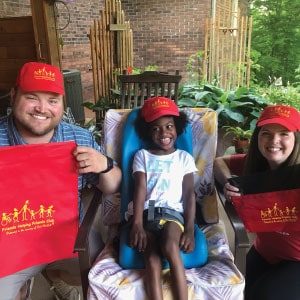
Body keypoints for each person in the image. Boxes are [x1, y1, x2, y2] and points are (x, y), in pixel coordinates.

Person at [0, 62, 121, 300]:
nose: (42, 108)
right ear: (14, 96)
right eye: (32, 97)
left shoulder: (79, 138)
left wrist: (104, 164)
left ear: (61, 105)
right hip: (9, 246)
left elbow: (114, 186)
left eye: (52, 101)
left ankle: (54, 276)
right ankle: (25, 286)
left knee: (107, 281)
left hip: (69, 240)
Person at [214, 104, 300, 300]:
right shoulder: (254, 163)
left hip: (296, 259)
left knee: (263, 295)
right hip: (264, 251)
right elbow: (219, 162)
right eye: (266, 133)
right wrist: (229, 182)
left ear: (296, 138)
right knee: (230, 291)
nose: (274, 141)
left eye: (284, 133)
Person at [129, 96, 198, 300]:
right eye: (156, 128)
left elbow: (189, 195)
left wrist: (191, 230)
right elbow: (139, 189)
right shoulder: (142, 155)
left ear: (177, 127)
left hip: (173, 214)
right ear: (147, 132)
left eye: (169, 126)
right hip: (147, 212)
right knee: (151, 259)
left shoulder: (184, 158)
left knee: (169, 246)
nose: (164, 133)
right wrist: (137, 224)